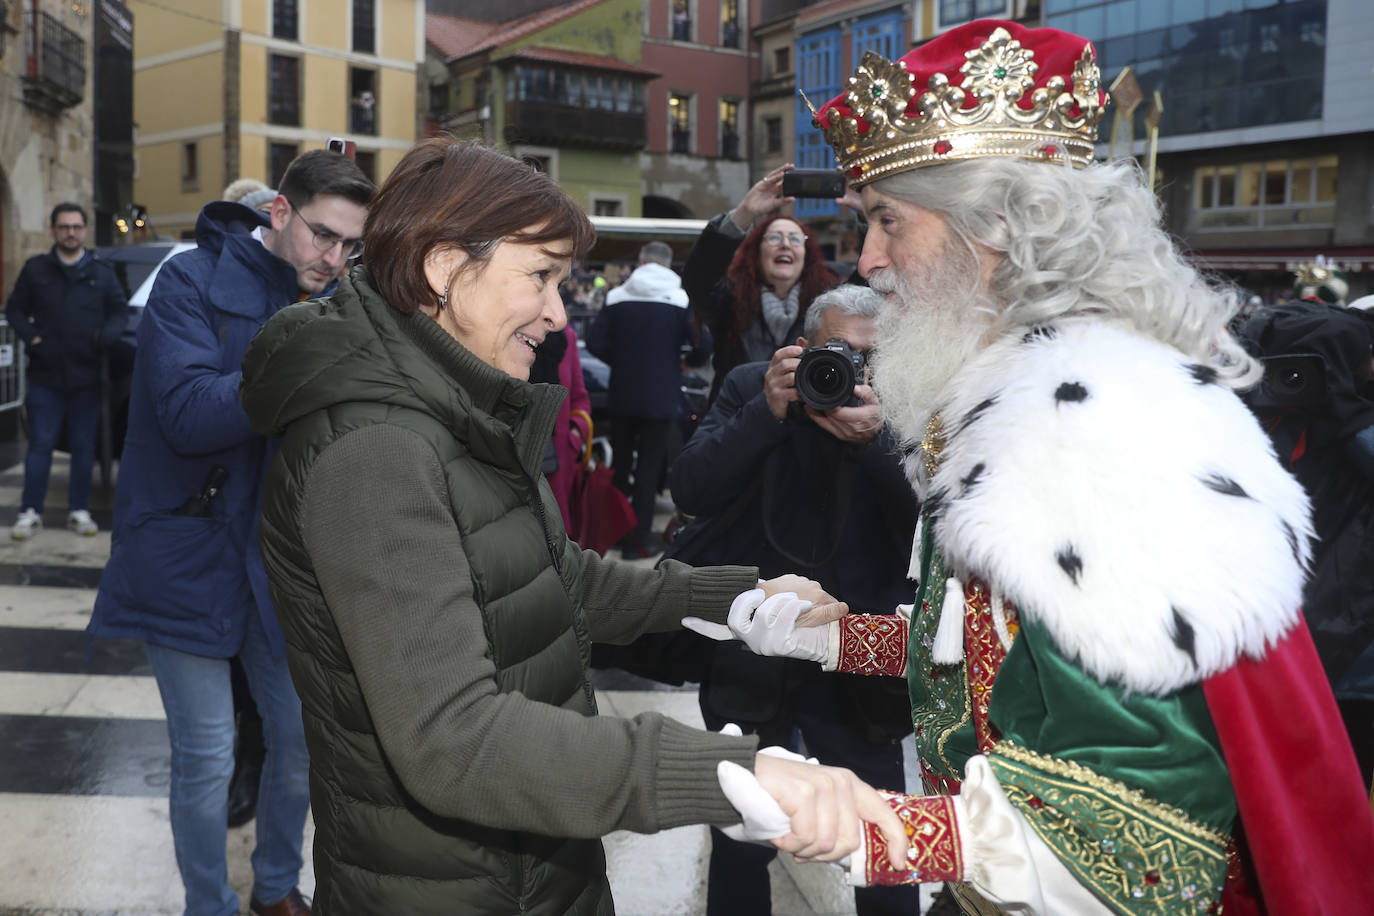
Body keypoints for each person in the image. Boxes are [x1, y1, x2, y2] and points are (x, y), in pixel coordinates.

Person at [688, 19, 1374, 914]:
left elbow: (1148, 841)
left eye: (889, 221)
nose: (867, 261)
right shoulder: (1020, 391)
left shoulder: (1084, 430)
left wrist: (873, 826)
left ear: (997, 227)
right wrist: (832, 634)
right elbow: (998, 658)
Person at [235, 138, 908, 914]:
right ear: (444, 268)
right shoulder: (377, 450)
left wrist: (740, 598)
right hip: (450, 886)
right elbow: (455, 738)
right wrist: (729, 773)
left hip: (528, 860)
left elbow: (558, 576)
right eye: (540, 276)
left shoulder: (453, 407)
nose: (559, 314)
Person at [88, 148, 375, 916]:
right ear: (278, 213)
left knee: (303, 741)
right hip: (185, 548)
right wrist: (301, 351)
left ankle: (277, 885)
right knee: (209, 754)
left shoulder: (341, 298)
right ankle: (207, 904)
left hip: (282, 561)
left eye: (352, 246)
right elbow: (185, 417)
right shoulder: (189, 280)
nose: (335, 258)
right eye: (323, 236)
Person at [670, 284, 922, 916]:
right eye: (836, 353)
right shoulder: (755, 385)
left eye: (871, 357)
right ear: (801, 348)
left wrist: (879, 440)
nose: (851, 371)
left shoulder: (910, 402)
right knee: (738, 831)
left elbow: (936, 524)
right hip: (751, 644)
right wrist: (765, 411)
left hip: (863, 655)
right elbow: (692, 488)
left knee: (883, 834)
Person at [1238, 297, 1374, 789]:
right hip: (1279, 648)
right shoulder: (1275, 418)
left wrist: (1348, 413)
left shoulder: (1350, 423)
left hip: (1350, 669)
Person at [6, 202, 127, 540]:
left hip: (87, 378)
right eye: (64, 227)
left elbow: (119, 312)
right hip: (45, 377)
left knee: (84, 447)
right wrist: (32, 339)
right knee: (41, 444)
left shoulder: (101, 273)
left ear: (85, 230)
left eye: (76, 227)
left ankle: (79, 511)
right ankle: (30, 512)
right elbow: (15, 310)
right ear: (53, 230)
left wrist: (107, 336)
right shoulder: (36, 270)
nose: (70, 233)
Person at [587, 240, 704, 558]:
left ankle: (614, 533)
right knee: (649, 468)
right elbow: (701, 344)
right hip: (661, 395)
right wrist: (683, 361)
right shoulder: (680, 299)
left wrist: (621, 361)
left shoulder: (617, 295)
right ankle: (639, 541)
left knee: (621, 465)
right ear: (667, 265)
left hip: (623, 393)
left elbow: (595, 341)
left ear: (641, 262)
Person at [683, 166, 838, 402]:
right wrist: (744, 213)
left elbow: (871, 289)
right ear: (757, 253)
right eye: (775, 237)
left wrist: (868, 214)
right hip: (737, 425)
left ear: (807, 256)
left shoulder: (829, 306)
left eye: (795, 239)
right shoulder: (730, 303)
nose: (785, 244)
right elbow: (700, 278)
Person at [530, 323, 592, 532]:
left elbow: (580, 398)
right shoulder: (500, 335)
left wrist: (574, 436)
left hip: (558, 459)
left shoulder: (566, 337)